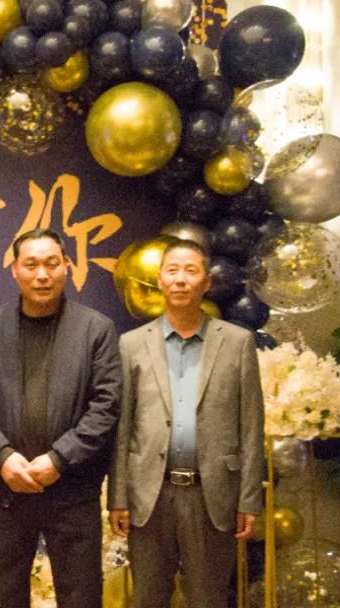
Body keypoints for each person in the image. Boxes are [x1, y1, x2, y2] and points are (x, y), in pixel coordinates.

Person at [0, 228, 121, 608]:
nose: (42, 275)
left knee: (81, 598)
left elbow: (106, 405)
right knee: (5, 597)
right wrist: (3, 456)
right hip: (7, 490)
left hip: (73, 489)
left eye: (51, 264)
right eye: (31, 265)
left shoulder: (95, 329)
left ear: (67, 266)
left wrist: (59, 459)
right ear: (15, 270)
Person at [107, 239, 264, 608]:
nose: (180, 280)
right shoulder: (131, 344)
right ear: (160, 280)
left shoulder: (237, 343)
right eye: (172, 271)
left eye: (190, 271)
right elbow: (122, 427)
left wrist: (249, 499)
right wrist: (118, 497)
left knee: (208, 599)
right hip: (150, 494)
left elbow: (251, 427)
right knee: (147, 598)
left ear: (206, 283)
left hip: (212, 494)